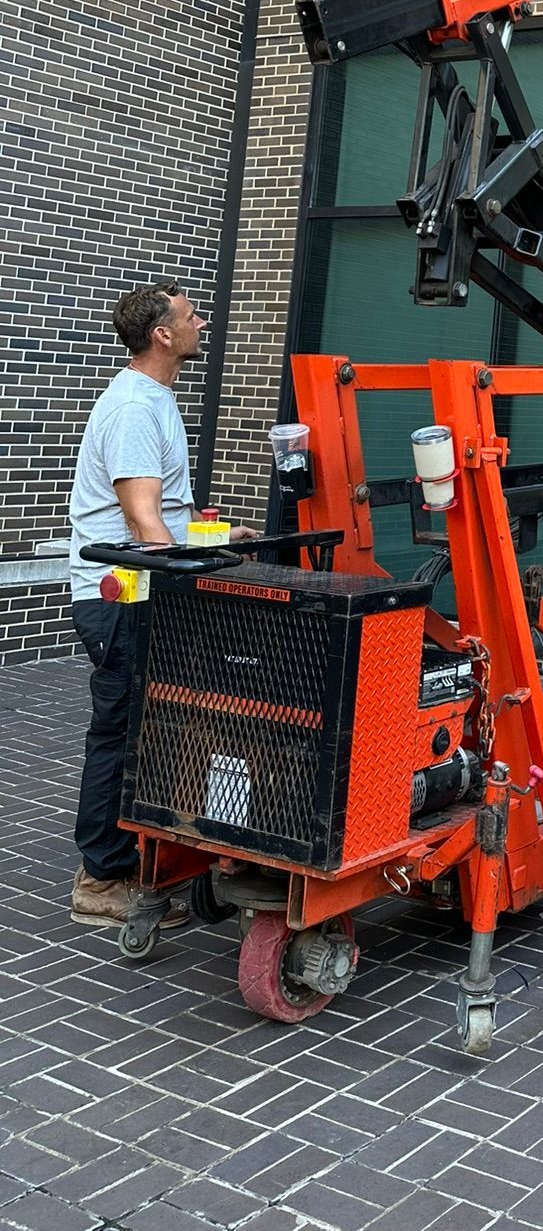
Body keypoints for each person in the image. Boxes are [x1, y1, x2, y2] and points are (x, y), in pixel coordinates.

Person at [67, 281, 259, 926]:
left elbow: (165, 517)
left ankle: (145, 849)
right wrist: (190, 577)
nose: (202, 323)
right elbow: (143, 518)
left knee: (153, 724)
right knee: (121, 730)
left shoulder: (156, 399)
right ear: (163, 335)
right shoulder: (132, 408)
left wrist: (214, 539)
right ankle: (100, 879)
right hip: (122, 592)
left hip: (141, 586)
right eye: (191, 316)